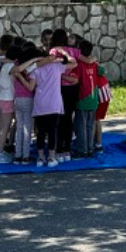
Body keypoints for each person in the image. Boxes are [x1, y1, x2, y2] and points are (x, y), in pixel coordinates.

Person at [18, 47, 75, 168]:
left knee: (41, 132)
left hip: (40, 104)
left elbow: (30, 87)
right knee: (52, 131)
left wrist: (20, 77)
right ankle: (51, 157)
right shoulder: (57, 66)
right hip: (54, 104)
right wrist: (65, 54)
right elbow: (73, 64)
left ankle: (40, 158)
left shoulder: (35, 69)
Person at [50, 28, 81, 162]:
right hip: (73, 88)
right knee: (68, 117)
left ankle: (58, 149)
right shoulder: (74, 51)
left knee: (58, 118)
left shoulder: (53, 51)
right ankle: (67, 149)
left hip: (58, 87)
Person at [11, 42, 39, 165]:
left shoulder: (16, 65)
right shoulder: (32, 70)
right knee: (27, 128)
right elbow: (31, 87)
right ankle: (26, 156)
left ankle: (17, 155)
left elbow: (14, 71)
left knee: (19, 127)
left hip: (17, 99)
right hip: (28, 99)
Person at [72, 38, 100, 158]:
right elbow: (102, 70)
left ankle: (82, 150)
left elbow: (75, 78)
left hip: (82, 98)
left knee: (81, 125)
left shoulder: (78, 65)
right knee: (90, 124)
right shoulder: (94, 64)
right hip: (93, 98)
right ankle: (90, 148)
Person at [0, 44, 19, 163]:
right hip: (7, 99)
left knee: (3, 125)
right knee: (5, 126)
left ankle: (0, 149)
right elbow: (20, 69)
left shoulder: (4, 65)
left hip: (2, 98)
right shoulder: (10, 66)